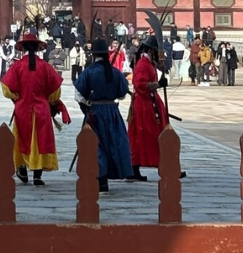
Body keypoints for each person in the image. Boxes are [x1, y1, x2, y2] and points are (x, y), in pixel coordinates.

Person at [1, 31, 67, 185]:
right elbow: (55, 90)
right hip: (41, 109)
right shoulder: (45, 67)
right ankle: (37, 175)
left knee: (22, 139)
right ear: (37, 49)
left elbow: (6, 87)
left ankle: (22, 169)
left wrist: (17, 98)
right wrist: (50, 100)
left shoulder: (17, 66)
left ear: (23, 49)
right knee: (40, 140)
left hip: (23, 108)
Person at [73, 39, 133, 192]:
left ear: (93, 55)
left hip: (95, 112)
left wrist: (86, 107)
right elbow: (122, 94)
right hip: (112, 111)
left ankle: (101, 177)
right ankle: (107, 175)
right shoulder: (115, 72)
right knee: (114, 143)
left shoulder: (89, 72)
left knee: (97, 145)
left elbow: (79, 94)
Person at [128, 36, 184, 180]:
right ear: (151, 51)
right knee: (146, 135)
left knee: (158, 134)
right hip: (144, 104)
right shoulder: (142, 64)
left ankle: (167, 165)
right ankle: (136, 168)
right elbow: (140, 85)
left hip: (151, 102)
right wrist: (158, 84)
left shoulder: (148, 63)